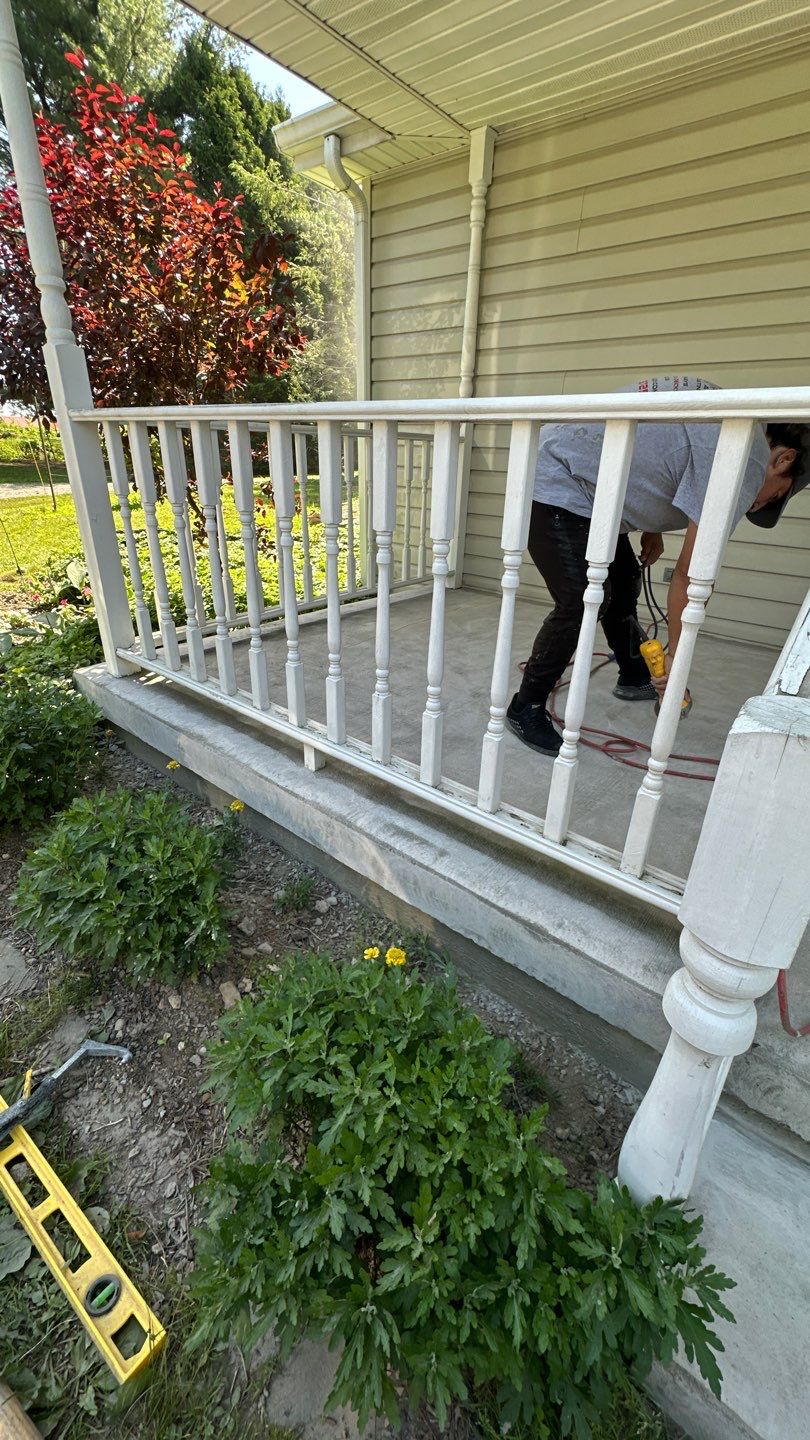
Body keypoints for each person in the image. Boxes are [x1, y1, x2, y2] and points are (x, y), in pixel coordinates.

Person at [506, 376, 808, 756]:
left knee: (625, 580)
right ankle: (525, 706)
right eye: (775, 496)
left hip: (590, 488)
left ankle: (634, 675)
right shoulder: (744, 457)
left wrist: (651, 527)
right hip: (559, 483)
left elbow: (655, 443)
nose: (757, 506)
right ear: (783, 460)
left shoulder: (730, 417)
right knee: (582, 600)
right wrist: (675, 661)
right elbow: (692, 576)